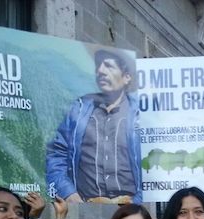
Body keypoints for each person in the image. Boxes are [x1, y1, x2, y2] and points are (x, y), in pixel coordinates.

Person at [46, 48, 142, 204]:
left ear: (126, 77)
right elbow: (57, 154)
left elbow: (152, 171)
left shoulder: (139, 114)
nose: (101, 71)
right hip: (84, 206)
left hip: (130, 210)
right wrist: (68, 193)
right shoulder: (79, 109)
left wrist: (136, 202)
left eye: (109, 66)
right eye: (98, 66)